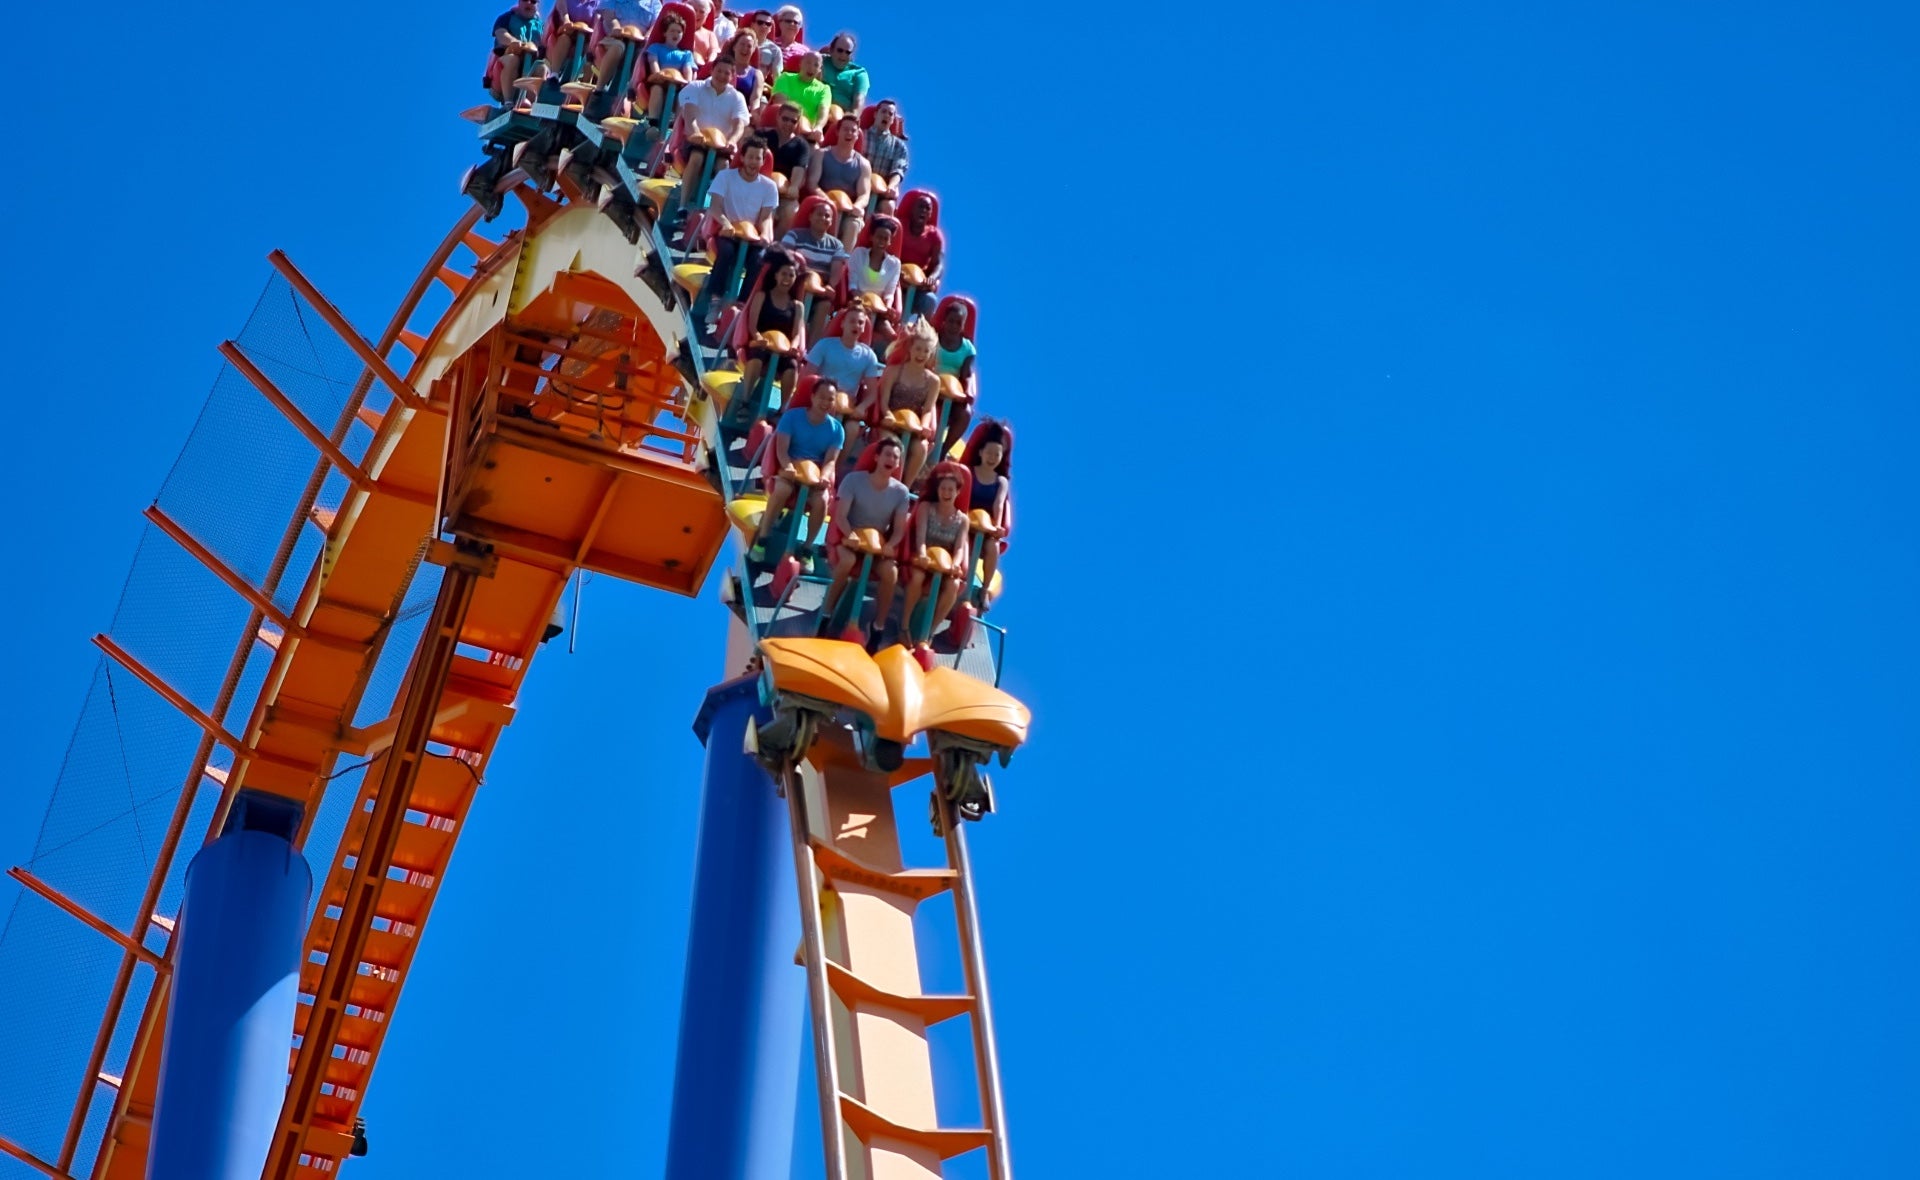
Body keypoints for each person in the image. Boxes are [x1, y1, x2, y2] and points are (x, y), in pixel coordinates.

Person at [822, 436, 912, 645]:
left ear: (899, 463)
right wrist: (850, 534)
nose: (891, 459)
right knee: (847, 562)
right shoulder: (854, 480)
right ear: (877, 457)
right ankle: (827, 614)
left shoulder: (901, 493)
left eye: (896, 457)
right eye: (887, 454)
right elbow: (841, 516)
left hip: (877, 544)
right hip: (849, 537)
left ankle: (878, 626)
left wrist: (890, 545)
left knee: (891, 573)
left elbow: (899, 529)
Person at [751, 376, 845, 558]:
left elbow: (830, 460)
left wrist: (824, 477)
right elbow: (782, 450)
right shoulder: (792, 417)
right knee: (782, 490)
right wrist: (788, 468)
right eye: (822, 397)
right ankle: (763, 538)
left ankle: (807, 549)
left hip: (815, 475)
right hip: (790, 468)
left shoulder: (836, 429)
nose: (825, 403)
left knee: (822, 500)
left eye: (830, 399)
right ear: (812, 396)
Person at [692, 137, 780, 326]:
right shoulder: (726, 177)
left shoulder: (769, 186)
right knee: (727, 252)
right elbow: (715, 207)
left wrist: (764, 235)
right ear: (742, 157)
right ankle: (715, 300)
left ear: (763, 161)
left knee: (759, 259)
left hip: (752, 236)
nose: (753, 163)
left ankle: (741, 304)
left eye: (758, 159)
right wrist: (725, 223)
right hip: (728, 231)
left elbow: (765, 217)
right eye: (750, 157)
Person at [899, 461, 972, 646]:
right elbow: (920, 536)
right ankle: (905, 625)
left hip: (945, 564)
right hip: (925, 558)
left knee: (953, 585)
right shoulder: (926, 508)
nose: (946, 493)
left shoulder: (962, 520)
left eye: (950, 490)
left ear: (957, 492)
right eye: (943, 489)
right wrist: (922, 554)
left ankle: (928, 631)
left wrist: (955, 564)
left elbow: (960, 547)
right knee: (917, 577)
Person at [863, 317, 941, 486]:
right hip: (890, 423)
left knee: (920, 448)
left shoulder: (933, 381)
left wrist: (924, 425)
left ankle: (904, 486)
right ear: (910, 348)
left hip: (914, 428)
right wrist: (888, 415)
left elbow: (928, 408)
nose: (921, 354)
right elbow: (884, 400)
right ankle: (884, 480)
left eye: (925, 351)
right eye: (918, 349)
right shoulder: (893, 371)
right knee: (895, 446)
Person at [736, 251, 807, 406]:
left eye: (791, 275)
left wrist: (793, 347)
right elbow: (753, 327)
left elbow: (796, 334)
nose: (787, 279)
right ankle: (745, 400)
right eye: (784, 274)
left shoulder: (797, 306)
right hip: (762, 343)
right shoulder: (762, 296)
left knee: (792, 366)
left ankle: (783, 408)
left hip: (784, 349)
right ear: (775, 275)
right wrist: (759, 338)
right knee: (757, 357)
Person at [806, 307, 884, 446]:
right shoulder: (825, 345)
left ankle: (835, 465)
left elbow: (872, 393)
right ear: (843, 323)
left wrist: (861, 407)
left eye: (860, 323)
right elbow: (807, 376)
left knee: (852, 428)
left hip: (846, 406)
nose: (856, 325)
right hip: (820, 399)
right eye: (852, 321)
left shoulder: (868, 355)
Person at [961, 419, 1012, 607]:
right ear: (981, 453)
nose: (992, 457)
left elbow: (999, 505)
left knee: (993, 548)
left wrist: (996, 527)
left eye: (997, 454)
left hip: (986, 525)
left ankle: (983, 590)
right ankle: (958, 579)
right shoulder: (969, 473)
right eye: (989, 453)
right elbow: (962, 497)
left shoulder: (1001, 482)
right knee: (963, 538)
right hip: (965, 519)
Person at [805, 114, 872, 244]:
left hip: (848, 209)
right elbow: (812, 184)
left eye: (853, 131)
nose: (849, 133)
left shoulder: (863, 164)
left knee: (854, 223)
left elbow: (864, 194)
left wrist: (857, 206)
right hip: (823, 202)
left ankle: (842, 260)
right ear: (838, 132)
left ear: (857, 135)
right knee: (826, 213)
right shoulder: (822, 154)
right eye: (845, 129)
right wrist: (829, 201)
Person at [639, 4, 700, 123]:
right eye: (672, 31)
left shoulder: (686, 54)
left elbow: (688, 69)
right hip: (659, 81)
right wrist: (658, 74)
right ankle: (653, 120)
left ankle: (676, 125)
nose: (675, 34)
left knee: (684, 96)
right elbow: (653, 62)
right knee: (657, 89)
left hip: (677, 85)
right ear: (665, 33)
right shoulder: (656, 48)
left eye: (679, 32)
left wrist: (687, 82)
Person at [893, 189, 945, 319]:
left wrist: (932, 278)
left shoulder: (934, 236)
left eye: (927, 208)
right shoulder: (899, 226)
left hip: (919, 284)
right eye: (920, 206)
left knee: (930, 300)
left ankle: (919, 333)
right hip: (895, 276)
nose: (923, 211)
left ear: (930, 214)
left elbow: (939, 263)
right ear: (912, 209)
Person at [758, 102, 812, 226]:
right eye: (785, 119)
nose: (788, 124)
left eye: (793, 121)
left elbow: (799, 170)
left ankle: (776, 243)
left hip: (783, 192)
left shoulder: (801, 145)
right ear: (778, 117)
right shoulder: (762, 135)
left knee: (792, 209)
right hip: (758, 183)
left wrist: (794, 186)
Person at [848, 216, 902, 329]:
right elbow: (852, 284)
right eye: (878, 237)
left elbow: (889, 292)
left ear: (890, 241)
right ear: (872, 237)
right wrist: (862, 302)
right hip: (857, 304)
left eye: (885, 238)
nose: (881, 241)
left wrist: (886, 308)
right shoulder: (859, 253)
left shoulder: (895, 264)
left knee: (890, 333)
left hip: (879, 310)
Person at [490, 0, 546, 108]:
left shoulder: (540, 25)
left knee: (542, 68)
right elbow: (500, 33)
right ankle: (508, 102)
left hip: (531, 63)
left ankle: (530, 103)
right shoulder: (507, 17)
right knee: (512, 60)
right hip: (507, 58)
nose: (529, 3)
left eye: (533, 1)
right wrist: (514, 42)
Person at [859, 99, 909, 206]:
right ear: (875, 114)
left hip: (881, 192)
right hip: (857, 183)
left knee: (889, 205)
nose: (886, 115)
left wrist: (892, 186)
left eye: (890, 114)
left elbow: (898, 170)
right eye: (883, 112)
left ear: (892, 120)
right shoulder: (861, 136)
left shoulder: (899, 146)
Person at [771, 50, 831, 133]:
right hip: (781, 125)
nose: (811, 67)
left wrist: (819, 128)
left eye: (816, 65)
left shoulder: (824, 89)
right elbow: (781, 105)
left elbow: (823, 111)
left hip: (807, 133)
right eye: (808, 63)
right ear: (800, 64)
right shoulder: (785, 78)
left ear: (819, 70)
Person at [707, 29, 763, 109]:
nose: (745, 48)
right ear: (734, 47)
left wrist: (753, 113)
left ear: (754, 50)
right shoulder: (718, 67)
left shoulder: (757, 74)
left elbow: (755, 99)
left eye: (749, 46)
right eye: (742, 44)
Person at [819, 31, 869, 114]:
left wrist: (852, 119)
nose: (843, 55)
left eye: (848, 52)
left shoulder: (859, 73)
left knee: (836, 113)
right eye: (840, 50)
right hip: (815, 106)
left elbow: (859, 101)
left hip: (840, 117)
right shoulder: (821, 61)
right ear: (831, 50)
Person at [770, 4, 809, 69]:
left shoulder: (805, 51)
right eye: (788, 21)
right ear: (780, 23)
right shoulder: (770, 44)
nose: (792, 24)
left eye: (796, 22)